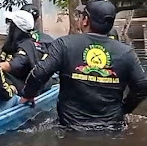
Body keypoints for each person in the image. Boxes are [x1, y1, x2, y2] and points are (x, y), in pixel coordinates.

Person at [21, 0, 147, 129]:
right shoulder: (126, 52)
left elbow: (40, 72)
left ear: (86, 20)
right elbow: (142, 86)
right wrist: (124, 109)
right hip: (112, 127)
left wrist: (28, 94)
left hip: (70, 127)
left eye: (81, 15)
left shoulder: (64, 44)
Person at [0, 10, 52, 94]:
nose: (8, 27)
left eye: (11, 23)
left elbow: (17, 63)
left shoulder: (26, 45)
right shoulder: (12, 43)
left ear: (16, 28)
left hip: (24, 88)